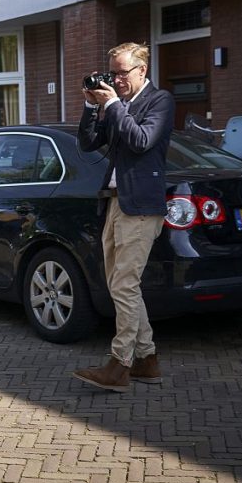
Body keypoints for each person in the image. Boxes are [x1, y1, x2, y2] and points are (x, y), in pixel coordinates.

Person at [73, 42, 174, 393]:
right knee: (121, 285)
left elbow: (141, 140)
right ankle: (148, 360)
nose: (116, 80)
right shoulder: (120, 104)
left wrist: (114, 105)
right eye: (112, 73)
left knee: (125, 286)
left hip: (142, 206)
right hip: (116, 203)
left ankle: (120, 364)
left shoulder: (159, 101)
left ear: (142, 71)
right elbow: (88, 143)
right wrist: (90, 105)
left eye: (122, 73)